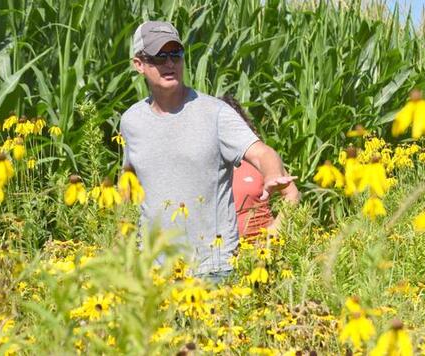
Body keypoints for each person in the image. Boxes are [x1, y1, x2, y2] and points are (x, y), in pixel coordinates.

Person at [120, 21, 296, 283]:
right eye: (160, 56)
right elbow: (129, 181)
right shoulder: (131, 121)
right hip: (154, 273)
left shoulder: (215, 113)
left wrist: (271, 175)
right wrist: (120, 242)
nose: (170, 64)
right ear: (139, 64)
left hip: (213, 270)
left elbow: (262, 153)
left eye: (175, 55)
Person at [219, 96, 299, 241]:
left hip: (261, 250)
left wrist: (275, 229)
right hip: (220, 251)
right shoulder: (205, 162)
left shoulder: (259, 158)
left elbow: (292, 194)